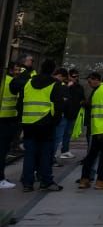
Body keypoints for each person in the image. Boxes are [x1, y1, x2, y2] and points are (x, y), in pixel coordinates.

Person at [14, 58, 64, 191]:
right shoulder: (55, 83)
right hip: (46, 123)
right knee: (46, 154)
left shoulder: (29, 82)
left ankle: (27, 183)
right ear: (53, 70)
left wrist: (22, 118)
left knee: (30, 154)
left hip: (28, 123)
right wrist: (55, 121)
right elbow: (58, 106)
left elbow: (21, 102)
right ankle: (46, 181)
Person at [0, 56, 35, 190]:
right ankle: (1, 178)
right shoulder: (11, 81)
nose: (17, 72)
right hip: (6, 120)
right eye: (15, 70)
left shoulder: (8, 79)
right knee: (2, 150)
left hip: (8, 119)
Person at [55, 67, 84, 160]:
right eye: (73, 76)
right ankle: (54, 153)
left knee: (68, 133)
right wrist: (68, 86)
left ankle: (65, 150)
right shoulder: (64, 86)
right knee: (59, 134)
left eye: (77, 76)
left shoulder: (79, 87)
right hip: (65, 113)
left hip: (73, 113)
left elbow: (81, 98)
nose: (75, 78)